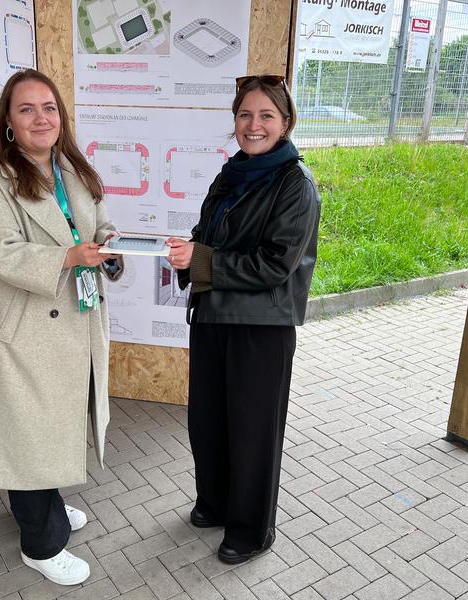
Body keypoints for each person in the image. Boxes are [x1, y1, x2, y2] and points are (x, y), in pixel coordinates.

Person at [0, 69, 121, 586]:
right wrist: (68, 257)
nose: (40, 118)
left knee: (49, 424)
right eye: (26, 109)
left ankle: (44, 507)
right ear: (8, 121)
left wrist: (110, 245)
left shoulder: (69, 166)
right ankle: (41, 544)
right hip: (21, 323)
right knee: (26, 429)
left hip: (70, 313)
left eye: (49, 107)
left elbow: (97, 222)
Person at [166, 74, 320, 565]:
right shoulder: (231, 173)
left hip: (261, 328)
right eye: (245, 115)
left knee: (254, 431)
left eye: (266, 116)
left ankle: (252, 530)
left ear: (286, 123)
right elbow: (206, 229)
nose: (253, 125)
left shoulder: (297, 185)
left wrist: (203, 260)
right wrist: (186, 250)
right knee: (207, 422)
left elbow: (276, 264)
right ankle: (214, 504)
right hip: (213, 315)